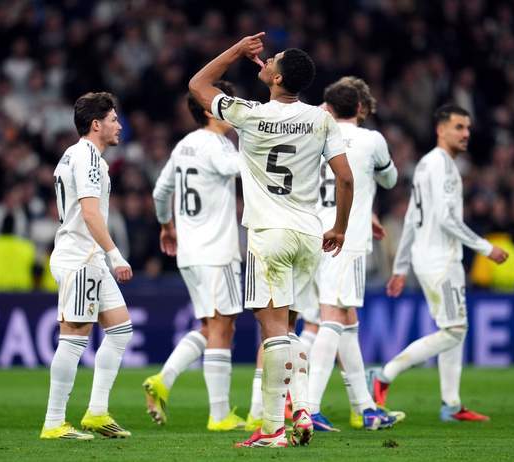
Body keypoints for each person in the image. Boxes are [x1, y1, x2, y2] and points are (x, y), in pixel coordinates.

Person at [189, 32, 354, 448]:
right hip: (309, 234)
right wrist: (340, 227)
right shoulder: (321, 119)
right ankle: (302, 408)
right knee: (291, 327)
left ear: (277, 78)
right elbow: (345, 178)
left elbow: (197, 85)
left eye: (273, 59)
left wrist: (236, 50)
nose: (266, 60)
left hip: (269, 234)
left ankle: (272, 429)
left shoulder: (249, 114)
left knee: (272, 328)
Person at [369, 104, 509, 422]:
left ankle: (451, 404)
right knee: (455, 329)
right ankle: (384, 374)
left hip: (428, 257)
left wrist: (401, 267)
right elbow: (446, 219)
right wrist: (485, 247)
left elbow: (411, 218)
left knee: (453, 327)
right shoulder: (443, 166)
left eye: (468, 128)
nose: (466, 133)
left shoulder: (425, 164)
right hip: (441, 260)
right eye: (459, 127)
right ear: (440, 129)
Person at [143, 80, 246, 431]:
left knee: (211, 326)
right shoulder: (216, 145)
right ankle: (219, 415)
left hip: (190, 252)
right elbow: (238, 168)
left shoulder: (185, 145)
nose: (232, 109)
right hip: (217, 251)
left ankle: (164, 380)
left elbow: (160, 192)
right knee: (222, 326)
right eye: (225, 103)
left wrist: (166, 225)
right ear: (208, 109)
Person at [302, 78, 401, 432]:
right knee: (331, 317)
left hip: (314, 233)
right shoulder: (371, 140)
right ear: (359, 108)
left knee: (347, 321)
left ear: (328, 107)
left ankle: (366, 408)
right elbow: (390, 179)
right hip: (345, 238)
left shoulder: (314, 135)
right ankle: (309, 409)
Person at [40, 92, 134, 440]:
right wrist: (115, 254)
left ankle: (96, 412)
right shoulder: (89, 158)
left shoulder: (72, 154)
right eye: (113, 119)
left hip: (88, 256)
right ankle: (53, 422)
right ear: (96, 124)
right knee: (74, 337)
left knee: (121, 330)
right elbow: (90, 213)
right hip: (81, 257)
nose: (119, 125)